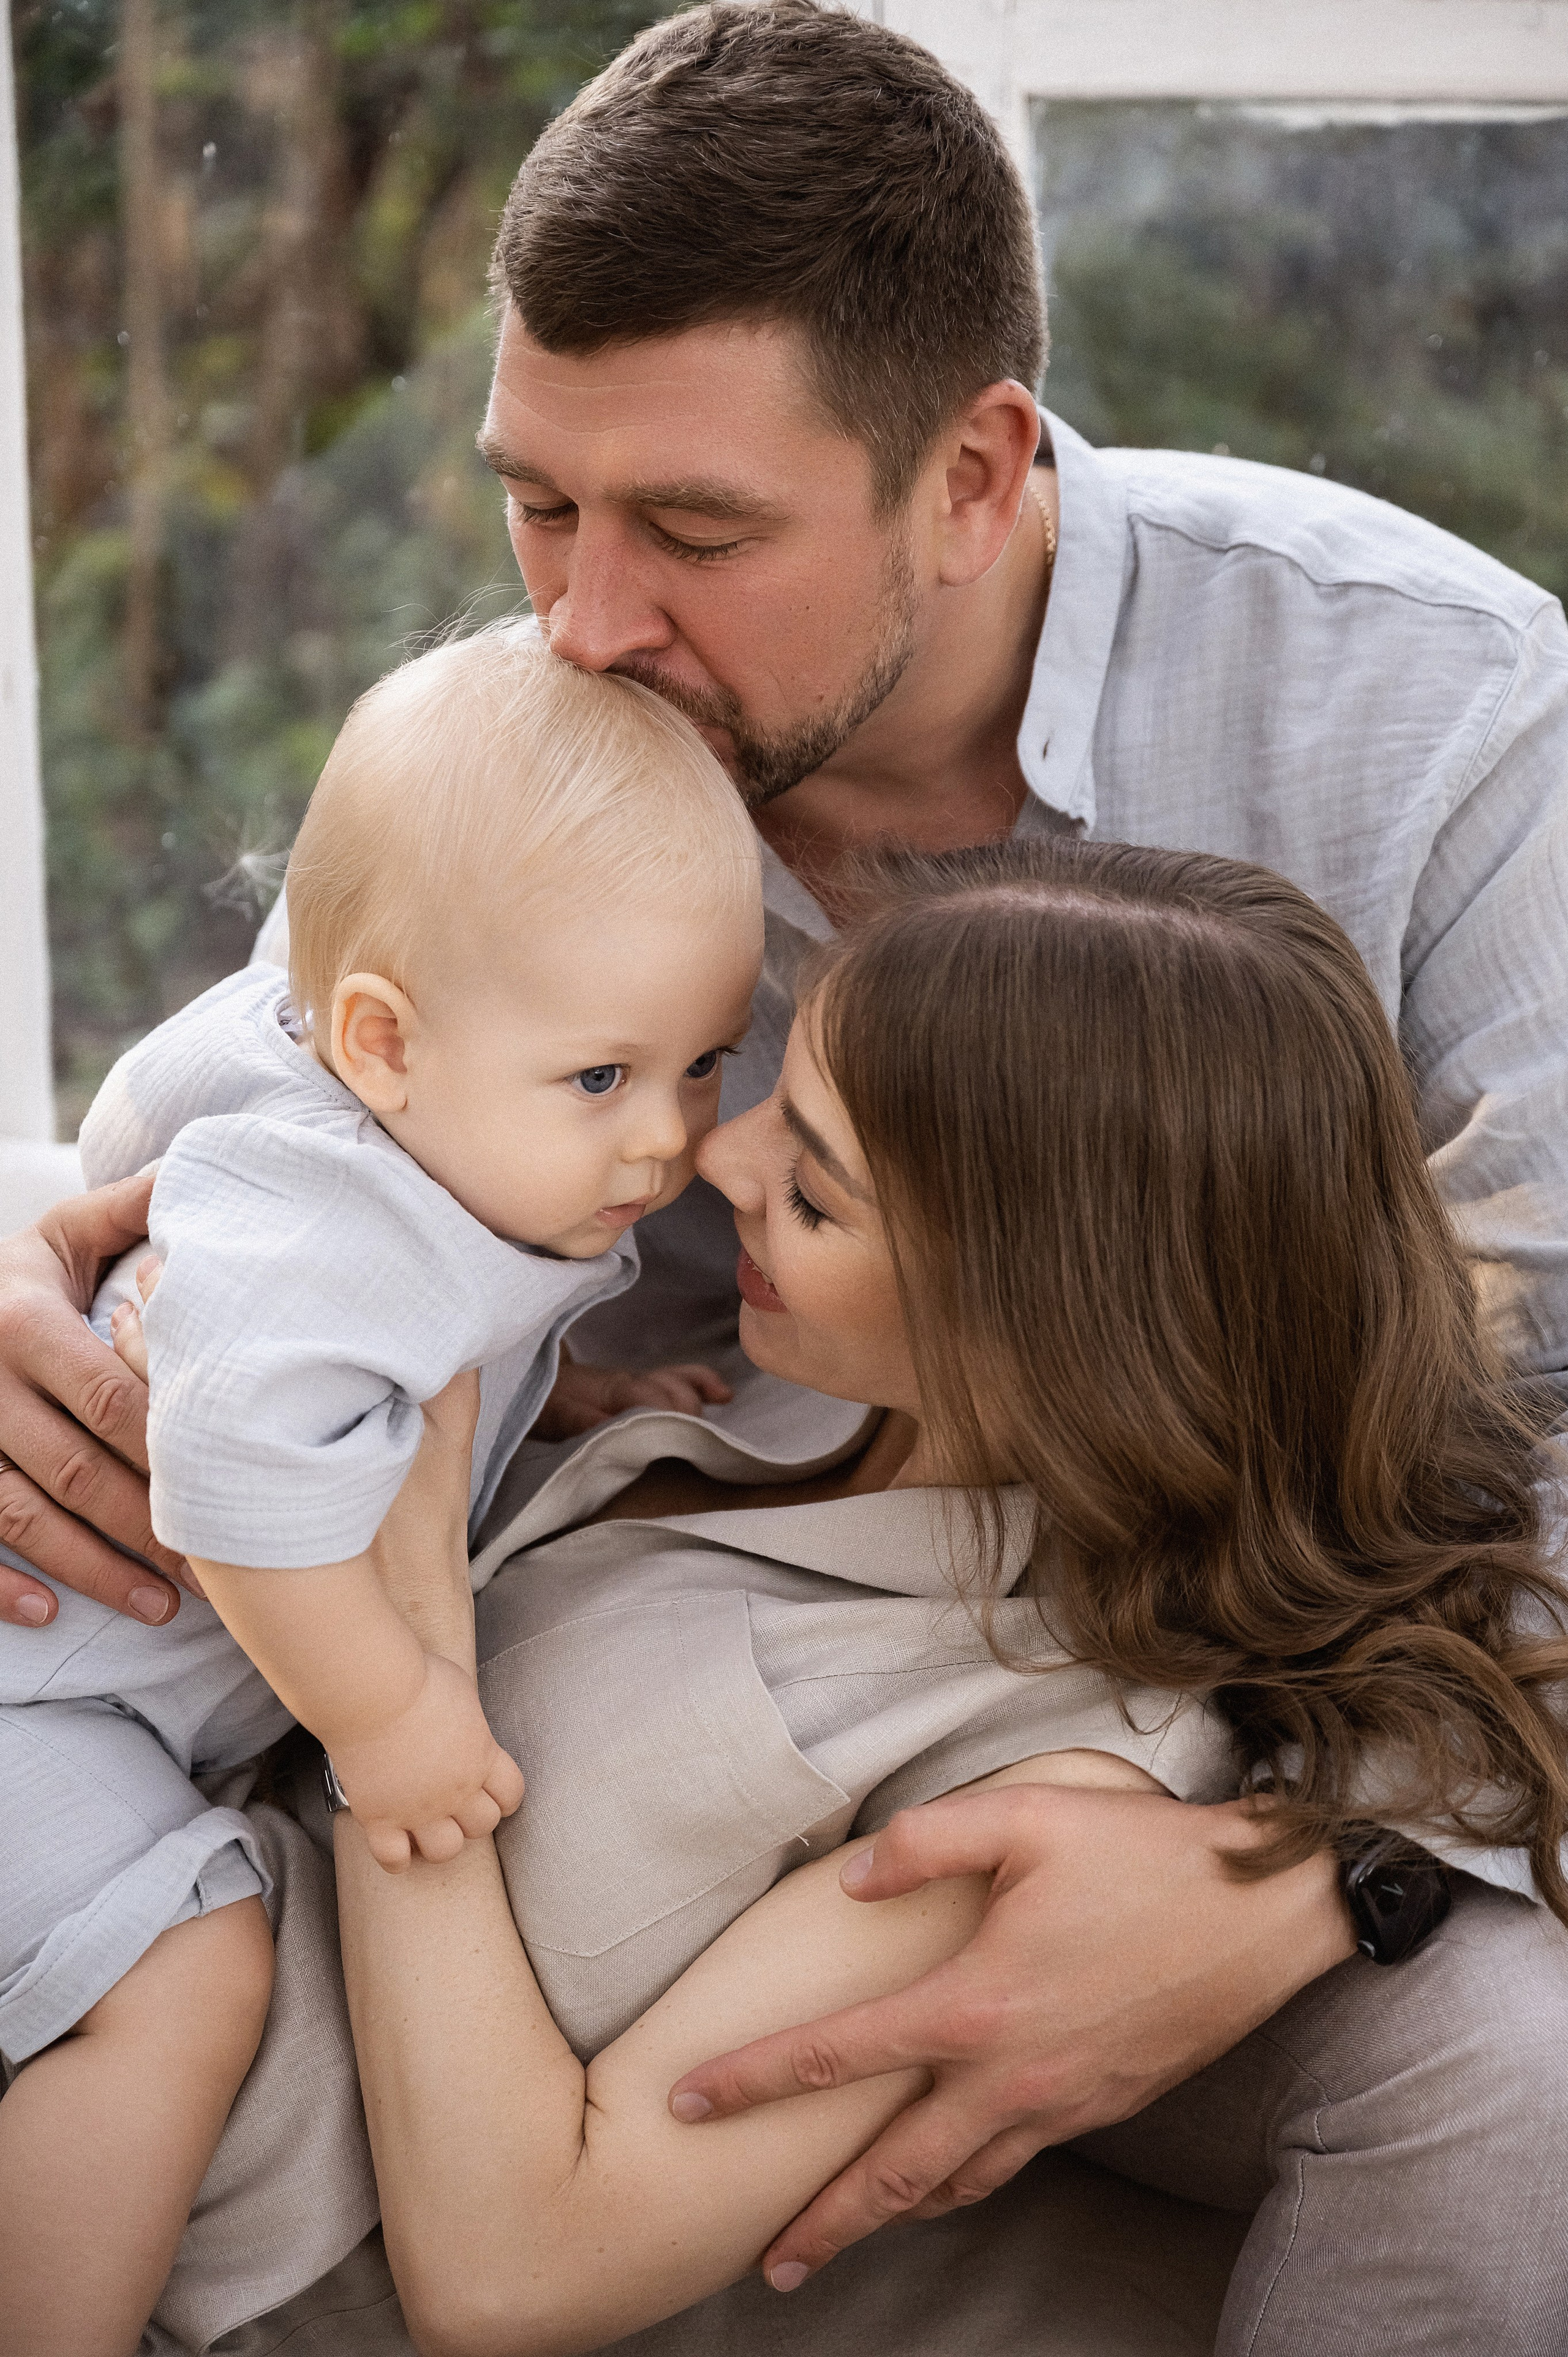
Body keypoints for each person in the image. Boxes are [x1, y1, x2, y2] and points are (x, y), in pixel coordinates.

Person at [1, 0, 1566, 2316]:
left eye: (696, 527)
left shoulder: (1442, 731)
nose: (583, 617)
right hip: (628, 1656)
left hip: (1207, 1721)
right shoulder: (588, 722)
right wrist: (38, 1285)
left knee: (1507, 2056)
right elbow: (249, 1106)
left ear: (972, 473)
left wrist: (1312, 1866)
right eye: (537, 499)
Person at [154, 837, 1564, 2357]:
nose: (717, 1161)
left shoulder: (1039, 1769)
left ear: (1034, 1330)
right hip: (124, 1909)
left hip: (187, 2214)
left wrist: (407, 1645)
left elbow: (514, 2266)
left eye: (814, 1193)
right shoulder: (804, 1407)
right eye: (773, 1093)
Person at [0, 627, 761, 2357]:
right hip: (32, 1692)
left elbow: (422, 1354)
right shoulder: (339, 1212)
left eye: (705, 1063)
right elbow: (242, 1478)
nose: (669, 1142)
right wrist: (389, 1716)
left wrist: (584, 1388)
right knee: (186, 1982)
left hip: (88, 1686)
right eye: (606, 1080)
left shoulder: (422, 1104)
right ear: (381, 1041)